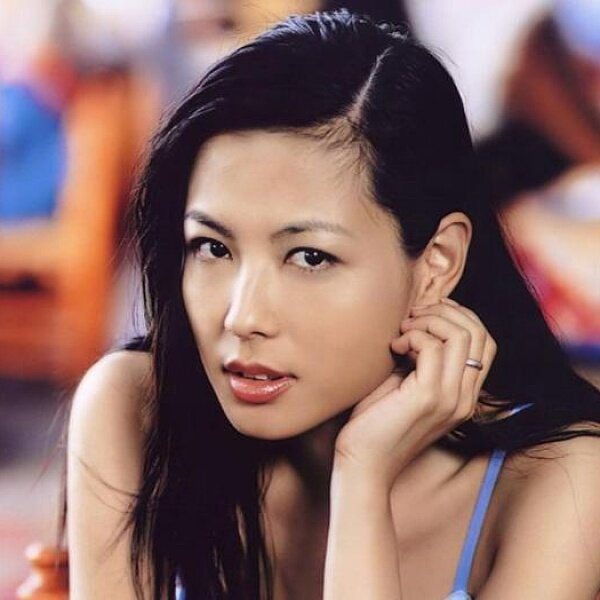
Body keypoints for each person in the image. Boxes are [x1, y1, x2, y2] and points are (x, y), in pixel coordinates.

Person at [65, 10, 600, 600]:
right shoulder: (134, 408)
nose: (243, 318)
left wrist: (362, 478)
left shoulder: (562, 481)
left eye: (310, 257)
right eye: (213, 247)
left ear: (437, 262)